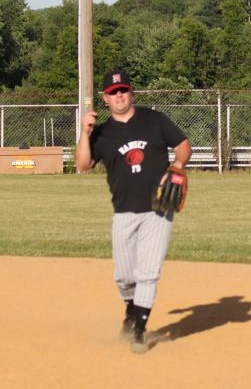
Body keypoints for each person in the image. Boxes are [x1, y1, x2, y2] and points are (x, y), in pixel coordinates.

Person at [75, 69, 192, 354]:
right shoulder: (102, 133)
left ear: (131, 93)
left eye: (124, 90)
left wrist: (177, 166)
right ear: (105, 98)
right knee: (124, 276)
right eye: (114, 93)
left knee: (148, 272)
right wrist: (84, 132)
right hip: (123, 211)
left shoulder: (154, 120)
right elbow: (82, 165)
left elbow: (183, 146)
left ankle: (139, 329)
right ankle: (131, 307)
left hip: (157, 209)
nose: (120, 96)